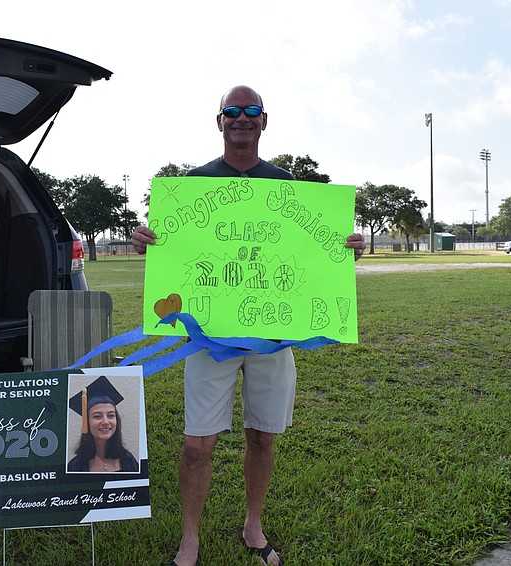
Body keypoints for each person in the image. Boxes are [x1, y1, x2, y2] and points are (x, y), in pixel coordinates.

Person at [131, 85, 366, 566]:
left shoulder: (288, 186)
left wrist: (347, 247)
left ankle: (252, 526)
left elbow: (315, 250)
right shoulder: (191, 186)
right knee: (197, 444)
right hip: (208, 337)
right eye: (232, 111)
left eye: (251, 111)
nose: (242, 118)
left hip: (274, 336)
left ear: (264, 120)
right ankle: (189, 540)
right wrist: (145, 241)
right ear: (219, 122)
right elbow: (172, 253)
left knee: (263, 435)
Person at [67, 375, 139, 473]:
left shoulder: (128, 461)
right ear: (86, 422)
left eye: (110, 415)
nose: (105, 422)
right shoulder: (75, 466)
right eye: (97, 416)